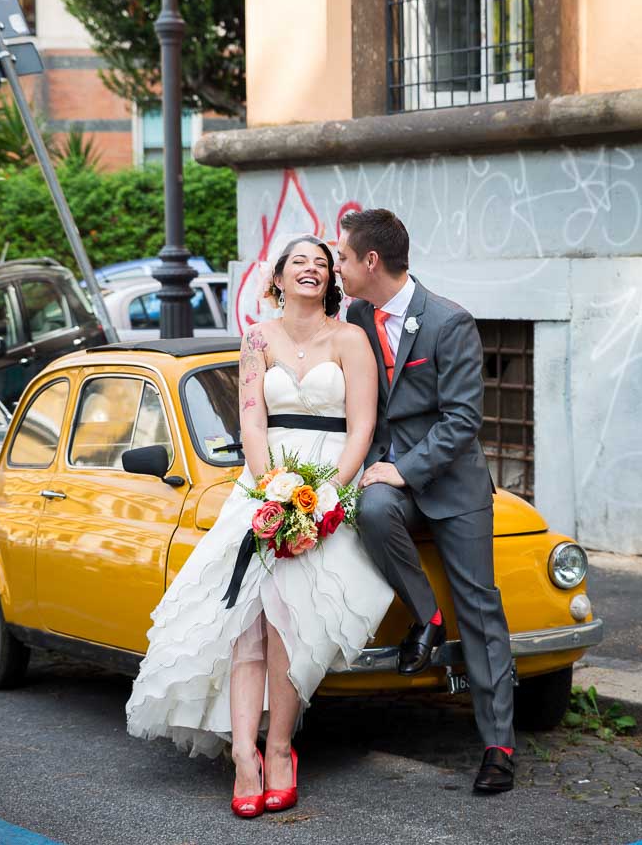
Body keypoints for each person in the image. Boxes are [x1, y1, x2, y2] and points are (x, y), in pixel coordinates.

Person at [126, 234, 393, 818]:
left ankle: (279, 750)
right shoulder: (256, 340)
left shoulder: (352, 339)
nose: (312, 269)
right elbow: (252, 420)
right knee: (244, 626)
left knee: (286, 624)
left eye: (322, 264)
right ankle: (244, 758)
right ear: (278, 276)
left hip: (328, 486)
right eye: (300, 261)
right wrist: (271, 486)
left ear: (331, 280)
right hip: (264, 484)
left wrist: (323, 497)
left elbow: (361, 428)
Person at [336, 209, 516, 794]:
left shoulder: (448, 321)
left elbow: (463, 419)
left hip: (453, 484)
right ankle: (426, 617)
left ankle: (497, 746)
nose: (337, 266)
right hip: (393, 482)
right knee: (373, 510)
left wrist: (402, 468)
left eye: (342, 257)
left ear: (370, 262)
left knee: (480, 604)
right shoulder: (358, 314)